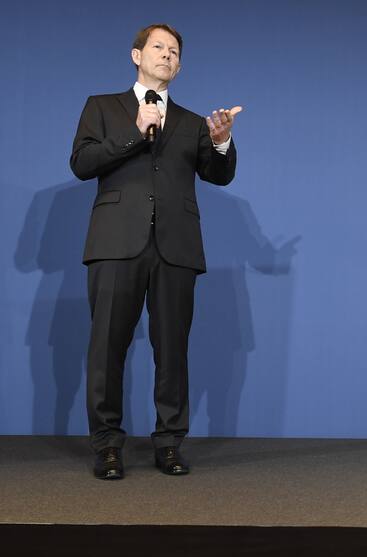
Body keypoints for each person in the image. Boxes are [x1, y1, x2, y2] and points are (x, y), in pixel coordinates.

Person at [70, 23, 242, 479]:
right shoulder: (102, 107)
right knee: (106, 348)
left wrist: (221, 141)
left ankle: (168, 443)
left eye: (174, 52)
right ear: (137, 55)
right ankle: (108, 445)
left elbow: (218, 175)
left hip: (175, 247)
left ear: (179, 66)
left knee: (172, 351)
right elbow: (82, 163)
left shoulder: (192, 122)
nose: (167, 55)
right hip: (115, 243)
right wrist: (134, 130)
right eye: (159, 47)